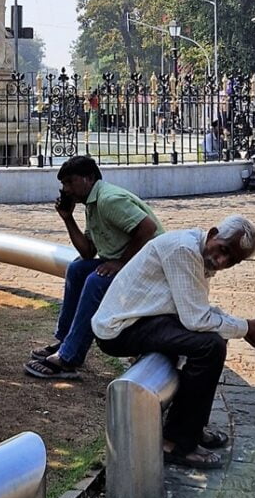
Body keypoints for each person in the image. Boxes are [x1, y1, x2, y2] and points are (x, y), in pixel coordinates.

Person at [92, 215, 255, 470]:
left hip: (148, 319)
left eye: (232, 260)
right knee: (210, 346)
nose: (222, 261)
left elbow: (197, 309)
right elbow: (197, 319)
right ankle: (175, 442)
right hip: (120, 328)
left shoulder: (198, 252)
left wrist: (246, 326)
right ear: (213, 233)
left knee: (214, 339)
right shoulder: (184, 249)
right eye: (224, 250)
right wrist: (247, 328)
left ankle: (191, 429)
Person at [24, 155, 163, 380]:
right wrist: (68, 218)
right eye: (63, 184)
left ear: (88, 178)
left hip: (149, 267)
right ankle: (66, 341)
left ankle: (69, 358)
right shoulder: (92, 203)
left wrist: (120, 263)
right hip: (132, 262)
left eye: (70, 182)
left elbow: (148, 228)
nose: (66, 189)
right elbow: (88, 252)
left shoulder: (109, 200)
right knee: (78, 269)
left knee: (95, 282)